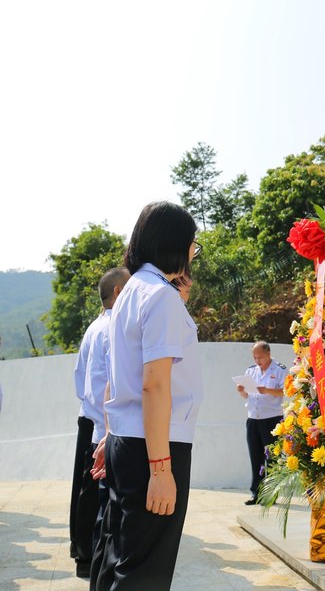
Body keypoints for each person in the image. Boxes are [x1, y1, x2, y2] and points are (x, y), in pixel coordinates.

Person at [91, 201, 201, 591]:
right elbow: (154, 384)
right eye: (192, 243)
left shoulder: (131, 293)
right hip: (154, 444)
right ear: (175, 243)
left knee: (120, 559)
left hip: (129, 439)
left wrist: (111, 434)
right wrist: (161, 470)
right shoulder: (159, 296)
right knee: (143, 573)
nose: (193, 252)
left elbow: (116, 375)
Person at [68, 267, 130, 578]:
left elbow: (80, 376)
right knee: (97, 495)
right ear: (118, 292)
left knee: (85, 490)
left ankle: (81, 551)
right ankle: (90, 558)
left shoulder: (94, 327)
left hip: (90, 416)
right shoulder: (113, 328)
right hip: (103, 422)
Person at [236, 341, 286, 505]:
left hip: (272, 419)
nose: (258, 361)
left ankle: (271, 494)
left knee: (272, 459)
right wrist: (242, 392)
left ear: (268, 354)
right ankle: (256, 493)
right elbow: (248, 396)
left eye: (261, 358)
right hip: (253, 419)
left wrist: (267, 390)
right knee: (255, 457)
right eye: (255, 358)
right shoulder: (251, 371)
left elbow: (284, 391)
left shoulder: (279, 370)